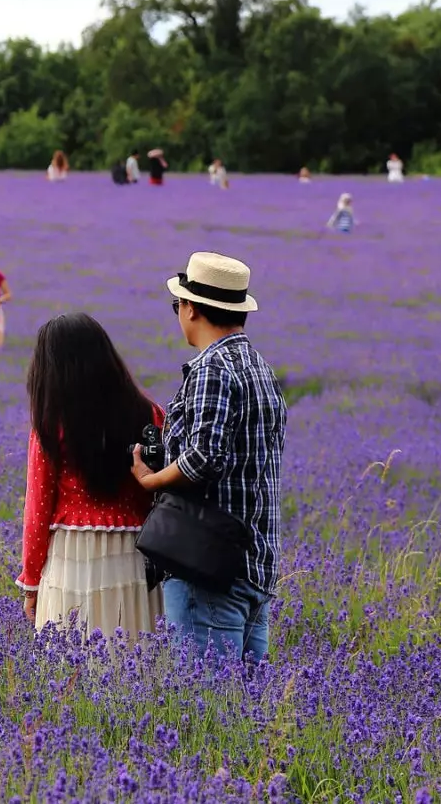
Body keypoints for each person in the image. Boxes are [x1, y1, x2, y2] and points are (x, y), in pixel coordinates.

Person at [132, 252, 285, 661]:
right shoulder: (261, 369)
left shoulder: (212, 369)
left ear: (191, 308)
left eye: (177, 305)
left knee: (206, 707)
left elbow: (204, 459)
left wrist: (151, 478)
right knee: (246, 713)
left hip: (208, 565)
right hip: (255, 563)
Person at [18, 313, 166, 637]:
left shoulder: (51, 424)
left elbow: (38, 509)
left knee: (70, 667)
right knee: (137, 660)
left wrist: (30, 582)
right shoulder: (150, 413)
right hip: (136, 554)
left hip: (72, 557)